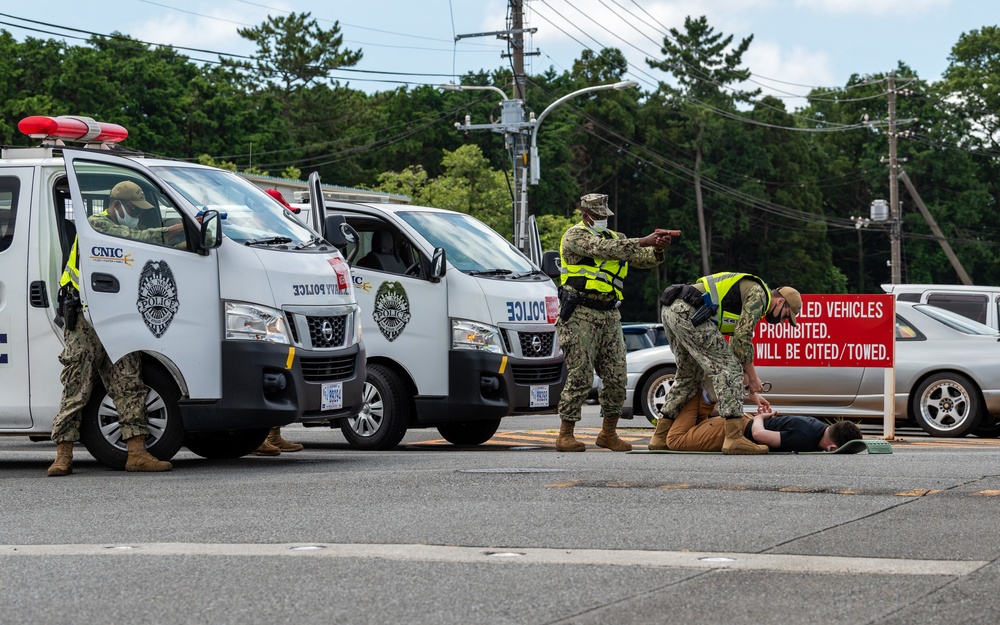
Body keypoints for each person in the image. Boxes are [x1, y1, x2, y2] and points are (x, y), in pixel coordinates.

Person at [47, 180, 179, 476]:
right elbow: (137, 236)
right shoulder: (97, 224)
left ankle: (137, 453)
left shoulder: (115, 228)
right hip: (85, 318)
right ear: (117, 205)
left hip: (116, 315)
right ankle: (63, 455)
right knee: (76, 385)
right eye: (133, 209)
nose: (136, 214)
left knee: (128, 381)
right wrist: (176, 230)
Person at [554, 193, 673, 452]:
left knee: (617, 377)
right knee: (581, 375)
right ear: (586, 216)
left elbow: (643, 258)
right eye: (597, 217)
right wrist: (643, 240)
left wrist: (658, 247)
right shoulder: (575, 236)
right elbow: (602, 250)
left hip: (609, 314)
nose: (602, 221)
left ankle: (608, 433)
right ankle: (565, 434)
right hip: (579, 313)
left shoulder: (617, 238)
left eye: (605, 217)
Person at [651, 272, 802, 455]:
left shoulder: (747, 297)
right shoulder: (760, 295)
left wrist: (752, 392)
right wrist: (753, 378)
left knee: (688, 376)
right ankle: (733, 439)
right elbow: (743, 339)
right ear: (780, 302)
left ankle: (660, 436)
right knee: (729, 370)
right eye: (786, 315)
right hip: (688, 311)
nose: (783, 321)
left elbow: (735, 348)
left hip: (673, 310)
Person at [253, 187, 305, 457]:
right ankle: (256, 437)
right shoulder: (254, 237)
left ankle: (273, 434)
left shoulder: (276, 239)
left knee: (279, 373)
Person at [663, 387, 863, 452]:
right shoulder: (806, 439)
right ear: (832, 448)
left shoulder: (817, 426)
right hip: (736, 430)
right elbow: (759, 434)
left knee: (696, 429)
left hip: (739, 423)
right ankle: (699, 392)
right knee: (675, 441)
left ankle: (706, 397)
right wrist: (761, 417)